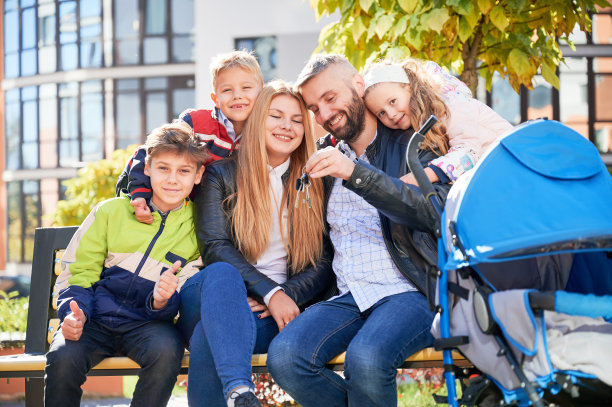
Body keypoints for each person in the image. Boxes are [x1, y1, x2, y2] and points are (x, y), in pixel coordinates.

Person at [266, 54, 452, 407]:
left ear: (357, 85)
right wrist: (276, 291)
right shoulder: (322, 157)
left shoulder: (412, 141)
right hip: (349, 295)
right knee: (287, 357)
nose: (323, 115)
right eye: (314, 108)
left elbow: (433, 213)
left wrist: (355, 174)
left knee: (366, 359)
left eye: (330, 98)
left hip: (411, 289)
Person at [177, 80, 335, 407]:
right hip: (211, 294)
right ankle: (239, 389)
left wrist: (285, 295)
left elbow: (323, 261)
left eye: (295, 120)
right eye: (276, 116)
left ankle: (239, 393)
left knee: (213, 334)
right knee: (222, 274)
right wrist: (270, 292)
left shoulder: (314, 182)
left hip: (268, 316)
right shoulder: (220, 175)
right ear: (258, 119)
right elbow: (215, 246)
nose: (286, 127)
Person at [45, 121, 208, 407]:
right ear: (147, 168)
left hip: (147, 324)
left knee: (167, 350)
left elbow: (182, 291)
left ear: (198, 175)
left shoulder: (198, 227)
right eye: (163, 168)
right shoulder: (111, 212)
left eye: (183, 171)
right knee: (63, 355)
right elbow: (78, 271)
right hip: (93, 317)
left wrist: (161, 302)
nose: (172, 179)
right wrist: (76, 313)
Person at [116, 50, 264, 223]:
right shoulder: (196, 123)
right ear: (215, 99)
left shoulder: (265, 131)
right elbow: (151, 152)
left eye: (246, 87)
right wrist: (140, 194)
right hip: (169, 204)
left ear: (262, 93)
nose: (237, 95)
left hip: (219, 212)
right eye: (227, 89)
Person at [362, 58, 512, 184]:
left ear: (409, 87)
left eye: (392, 101)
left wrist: (420, 176)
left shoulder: (449, 103)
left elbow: (469, 152)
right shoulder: (418, 120)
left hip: (513, 163)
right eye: (381, 113)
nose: (391, 114)